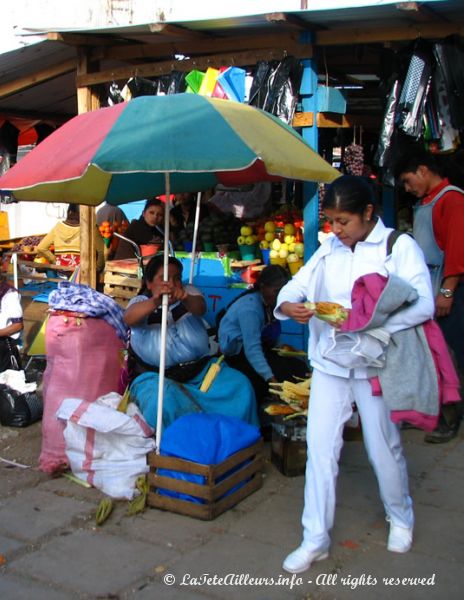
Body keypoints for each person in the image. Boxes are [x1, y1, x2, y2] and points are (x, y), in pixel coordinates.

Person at [275, 175, 434, 573]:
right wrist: (289, 303)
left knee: (384, 447)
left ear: (368, 213)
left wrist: (373, 326)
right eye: (331, 221)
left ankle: (401, 517)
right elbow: (296, 286)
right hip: (331, 364)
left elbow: (424, 304)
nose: (336, 229)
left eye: (343, 221)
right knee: (321, 451)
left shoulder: (398, 247)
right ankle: (315, 538)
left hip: (374, 366)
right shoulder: (329, 249)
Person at [125, 254, 258, 431]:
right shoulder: (141, 301)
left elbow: (200, 308)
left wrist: (184, 296)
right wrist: (156, 301)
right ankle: (176, 451)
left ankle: (234, 442)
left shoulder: (189, 292)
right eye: (164, 279)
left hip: (200, 371)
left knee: (240, 386)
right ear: (149, 283)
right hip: (157, 376)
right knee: (163, 402)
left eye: (177, 278)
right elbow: (129, 318)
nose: (171, 283)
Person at [396, 150, 464, 444]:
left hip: (448, 290)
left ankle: (450, 420)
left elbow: (458, 250)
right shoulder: (426, 202)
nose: (408, 188)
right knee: (430, 356)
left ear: (423, 170)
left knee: (450, 357)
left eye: (408, 181)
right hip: (431, 288)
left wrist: (447, 292)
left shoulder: (452, 199)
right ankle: (430, 412)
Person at [219, 265, 309, 403]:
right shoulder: (250, 309)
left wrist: (286, 351)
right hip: (237, 353)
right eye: (276, 291)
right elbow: (252, 349)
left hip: (259, 348)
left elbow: (274, 339)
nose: (280, 296)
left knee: (298, 366)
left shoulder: (271, 305)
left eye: (283, 291)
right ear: (263, 287)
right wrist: (271, 380)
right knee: (282, 375)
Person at [34, 203, 100, 269]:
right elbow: (103, 252)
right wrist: (98, 267)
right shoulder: (89, 228)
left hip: (62, 272)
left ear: (69, 212)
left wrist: (55, 261)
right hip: (81, 273)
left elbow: (41, 248)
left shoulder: (58, 227)